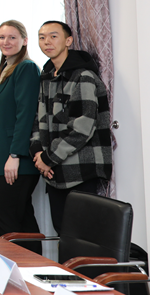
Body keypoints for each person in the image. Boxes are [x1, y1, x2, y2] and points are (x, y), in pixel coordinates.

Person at [31, 20, 112, 233]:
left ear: (68, 41)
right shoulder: (47, 76)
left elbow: (82, 129)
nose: (47, 41)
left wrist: (47, 158)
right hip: (54, 171)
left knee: (83, 234)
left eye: (53, 36)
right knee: (62, 232)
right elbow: (39, 120)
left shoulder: (83, 77)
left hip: (81, 170)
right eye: (42, 37)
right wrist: (38, 153)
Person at [0, 20, 41, 240]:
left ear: (24, 41)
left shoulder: (26, 67)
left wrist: (15, 155)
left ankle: (20, 261)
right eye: (2, 37)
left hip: (17, 158)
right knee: (22, 218)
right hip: (4, 158)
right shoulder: (4, 70)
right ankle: (34, 261)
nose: (6, 42)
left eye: (12, 37)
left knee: (4, 214)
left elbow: (26, 114)